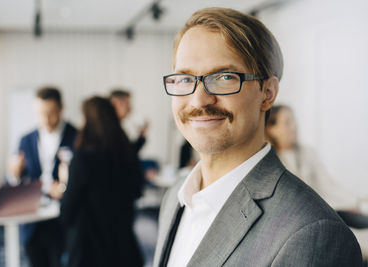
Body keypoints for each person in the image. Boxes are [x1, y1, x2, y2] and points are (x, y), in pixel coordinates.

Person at [153, 7, 362, 267]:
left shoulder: (312, 232)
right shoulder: (176, 197)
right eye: (185, 78)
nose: (199, 100)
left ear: (268, 92)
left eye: (224, 77)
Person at [60, 96, 143, 267]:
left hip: (89, 252)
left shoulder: (82, 159)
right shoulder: (127, 154)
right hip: (123, 249)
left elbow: (67, 213)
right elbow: (137, 191)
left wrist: (66, 181)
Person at [7, 86, 77, 267]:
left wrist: (66, 186)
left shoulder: (77, 137)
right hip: (32, 221)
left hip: (63, 220)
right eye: (40, 113)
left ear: (61, 109)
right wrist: (14, 174)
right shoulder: (25, 140)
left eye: (51, 113)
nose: (45, 119)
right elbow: (14, 181)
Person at [265, 104, 358, 210]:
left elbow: (328, 185)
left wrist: (354, 202)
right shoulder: (270, 160)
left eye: (294, 120)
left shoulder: (308, 152)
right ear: (271, 129)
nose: (294, 126)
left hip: (326, 209)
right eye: (287, 122)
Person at [109, 89, 148, 154]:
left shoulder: (116, 125)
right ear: (115, 104)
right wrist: (141, 138)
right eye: (127, 104)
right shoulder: (111, 128)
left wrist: (141, 136)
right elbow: (127, 156)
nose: (130, 108)